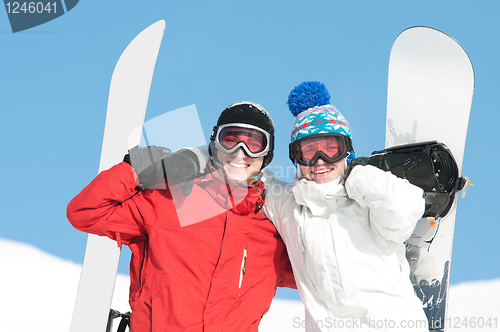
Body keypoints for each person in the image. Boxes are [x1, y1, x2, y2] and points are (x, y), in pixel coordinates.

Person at [67, 101, 295, 332]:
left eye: (254, 144)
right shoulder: (170, 200)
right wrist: (136, 168)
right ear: (215, 143)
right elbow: (86, 213)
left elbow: (322, 278)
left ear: (267, 154)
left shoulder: (272, 232)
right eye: (230, 139)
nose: (240, 152)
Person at [262, 81, 429, 331]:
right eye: (308, 151)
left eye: (331, 149)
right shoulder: (289, 206)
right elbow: (242, 175)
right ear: (295, 158)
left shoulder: (364, 201)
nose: (320, 161)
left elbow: (402, 214)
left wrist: (360, 176)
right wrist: (199, 153)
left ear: (346, 151)